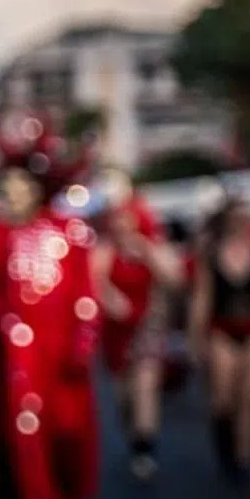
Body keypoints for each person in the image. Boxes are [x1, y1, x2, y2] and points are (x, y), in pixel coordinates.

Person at [0, 111, 100, 499]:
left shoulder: (72, 232)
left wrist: (83, 342)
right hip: (19, 347)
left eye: (21, 185)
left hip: (62, 347)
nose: (13, 193)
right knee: (26, 424)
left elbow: (84, 293)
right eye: (8, 186)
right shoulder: (2, 235)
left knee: (68, 427)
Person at [90, 180, 181, 481]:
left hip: (147, 327)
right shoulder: (105, 250)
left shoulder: (152, 246)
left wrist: (148, 252)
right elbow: (94, 282)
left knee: (146, 385)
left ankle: (145, 448)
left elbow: (174, 279)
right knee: (124, 395)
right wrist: (111, 299)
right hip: (117, 331)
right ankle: (135, 434)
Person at [189, 198, 250, 484]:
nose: (243, 223)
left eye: (247, 218)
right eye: (237, 218)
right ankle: (226, 448)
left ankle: (244, 458)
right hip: (222, 327)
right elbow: (202, 298)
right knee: (223, 397)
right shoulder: (212, 254)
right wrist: (196, 337)